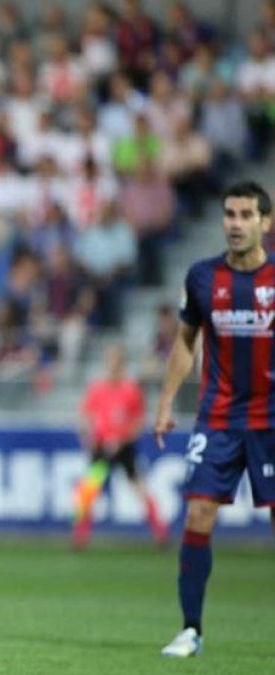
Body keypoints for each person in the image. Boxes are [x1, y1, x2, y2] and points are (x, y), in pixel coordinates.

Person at [154, 181, 275, 658]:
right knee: (199, 513)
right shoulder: (202, 277)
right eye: (230, 214)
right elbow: (186, 342)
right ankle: (190, 629)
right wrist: (165, 403)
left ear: (265, 222)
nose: (236, 223)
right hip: (219, 418)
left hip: (271, 420)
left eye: (247, 215)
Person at [72, 343, 168, 549]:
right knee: (88, 490)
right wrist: (87, 437)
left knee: (139, 489)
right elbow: (85, 416)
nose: (113, 366)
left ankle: (160, 534)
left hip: (123, 448)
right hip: (101, 448)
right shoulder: (97, 389)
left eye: (117, 362)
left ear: (122, 365)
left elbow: (139, 420)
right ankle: (81, 537)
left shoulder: (131, 390)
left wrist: (122, 440)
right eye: (110, 361)